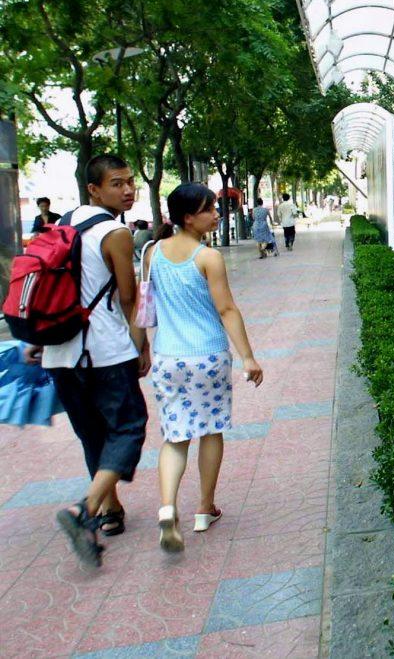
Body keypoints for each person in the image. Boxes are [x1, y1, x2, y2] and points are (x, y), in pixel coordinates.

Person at [26, 155, 150, 567]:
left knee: (92, 434)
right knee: (129, 427)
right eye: (117, 184)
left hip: (60, 352)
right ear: (94, 189)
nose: (128, 190)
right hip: (103, 350)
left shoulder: (62, 224)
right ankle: (86, 510)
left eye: (130, 182)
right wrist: (141, 345)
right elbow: (129, 298)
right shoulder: (115, 232)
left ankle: (111, 513)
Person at [147, 183, 263, 552]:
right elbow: (226, 309)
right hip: (207, 357)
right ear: (187, 217)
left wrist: (141, 349)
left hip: (167, 357)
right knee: (211, 431)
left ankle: (168, 507)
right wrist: (248, 356)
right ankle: (203, 508)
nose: (216, 214)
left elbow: (145, 305)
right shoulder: (207, 257)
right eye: (209, 209)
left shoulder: (153, 253)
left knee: (175, 436)